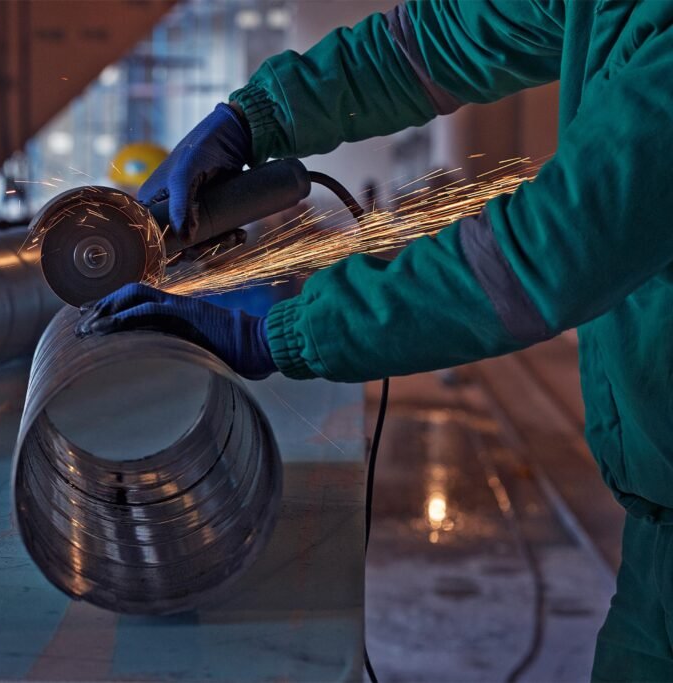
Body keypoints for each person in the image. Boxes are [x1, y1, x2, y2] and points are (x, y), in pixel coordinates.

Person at [78, 2, 673, 680]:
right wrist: (254, 117)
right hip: (655, 534)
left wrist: (287, 328)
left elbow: (541, 257)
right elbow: (429, 44)